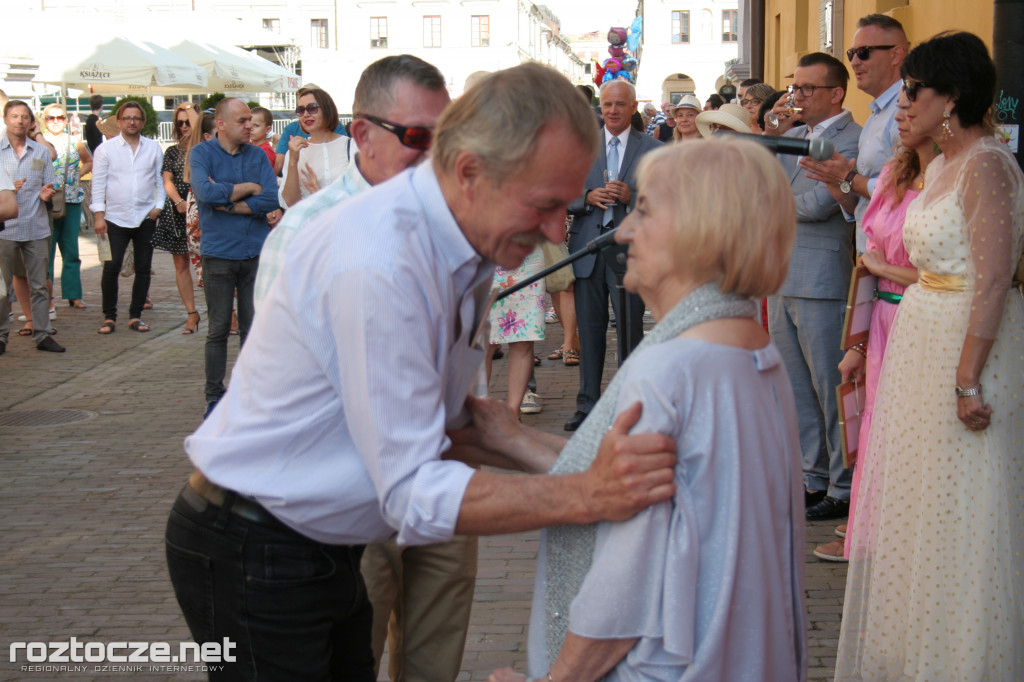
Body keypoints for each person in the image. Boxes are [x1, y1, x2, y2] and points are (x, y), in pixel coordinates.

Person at [164, 62, 678, 681]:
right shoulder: (380, 261)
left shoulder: (469, 240)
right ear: (468, 172)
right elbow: (415, 490)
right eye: (543, 207)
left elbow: (456, 423)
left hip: (313, 542)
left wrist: (590, 468)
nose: (552, 232)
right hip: (254, 543)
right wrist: (586, 492)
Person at [485, 137, 806, 682]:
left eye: (645, 211)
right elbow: (631, 480)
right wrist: (505, 437)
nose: (624, 230)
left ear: (701, 231)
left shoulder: (673, 368)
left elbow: (622, 588)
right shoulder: (747, 344)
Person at [255, 54, 469, 681]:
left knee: (435, 663)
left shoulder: (448, 226)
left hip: (445, 475)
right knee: (355, 655)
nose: (435, 155)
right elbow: (273, 373)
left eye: (445, 137)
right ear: (362, 134)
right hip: (355, 488)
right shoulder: (307, 229)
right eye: (417, 138)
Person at [835, 32, 1024, 679]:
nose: (904, 102)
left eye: (916, 90)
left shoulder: (989, 166)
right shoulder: (938, 164)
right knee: (919, 501)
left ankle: (966, 657)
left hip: (965, 348)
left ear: (955, 97)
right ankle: (920, 647)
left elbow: (993, 279)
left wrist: (967, 379)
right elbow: (929, 266)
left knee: (965, 502)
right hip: (920, 338)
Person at [811, 91, 936, 562]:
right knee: (874, 431)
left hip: (921, 316)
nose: (900, 117)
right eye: (897, 109)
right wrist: (857, 345)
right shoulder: (892, 175)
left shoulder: (950, 182)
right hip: (881, 316)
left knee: (910, 436)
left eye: (910, 107)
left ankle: (903, 538)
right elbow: (867, 262)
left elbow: (948, 272)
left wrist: (886, 270)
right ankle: (872, 529)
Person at [764, 52, 862, 522]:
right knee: (796, 388)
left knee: (830, 388)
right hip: (782, 275)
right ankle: (813, 476)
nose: (795, 97)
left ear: (835, 93)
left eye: (806, 89)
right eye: (793, 88)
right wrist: (770, 141)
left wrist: (773, 198)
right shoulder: (794, 137)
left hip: (822, 278)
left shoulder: (854, 139)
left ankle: (843, 485)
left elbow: (818, 204)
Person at [565, 79, 662, 432]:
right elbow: (561, 191)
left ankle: (629, 408)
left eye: (620, 105)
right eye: (607, 105)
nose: (613, 111)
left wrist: (631, 198)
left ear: (633, 107)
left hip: (630, 254)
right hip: (588, 247)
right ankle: (588, 407)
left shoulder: (652, 148)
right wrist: (587, 197)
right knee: (589, 333)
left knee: (630, 332)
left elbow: (664, 199)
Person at [188, 98, 280, 417]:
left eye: (251, 121)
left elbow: (271, 197)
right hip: (219, 253)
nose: (249, 126)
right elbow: (204, 194)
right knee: (218, 328)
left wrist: (231, 201)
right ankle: (214, 396)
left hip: (255, 251)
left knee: (252, 329)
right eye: (242, 120)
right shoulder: (201, 153)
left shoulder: (256, 154)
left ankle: (248, 393)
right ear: (223, 124)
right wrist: (248, 187)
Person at [801, 14, 909, 252]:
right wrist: (838, 184)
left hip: (895, 256)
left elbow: (908, 190)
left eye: (865, 52)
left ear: (896, 55)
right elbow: (860, 205)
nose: (855, 62)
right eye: (852, 53)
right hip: (870, 255)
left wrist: (848, 178)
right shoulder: (875, 116)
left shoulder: (907, 110)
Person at [90, 101, 164, 335]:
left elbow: (160, 180)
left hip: (145, 216)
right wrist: (99, 216)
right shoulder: (106, 149)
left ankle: (135, 316)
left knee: (143, 268)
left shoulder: (153, 147)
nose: (132, 122)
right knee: (111, 268)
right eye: (127, 118)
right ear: (119, 122)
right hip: (115, 217)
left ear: (142, 122)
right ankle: (109, 316)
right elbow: (98, 184)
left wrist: (158, 207)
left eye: (136, 118)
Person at [0, 100, 64, 354]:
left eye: (25, 117)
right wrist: (6, 191)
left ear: (30, 121)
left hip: (35, 225)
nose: (20, 121)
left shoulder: (39, 152)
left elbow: (50, 182)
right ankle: (2, 335)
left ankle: (43, 334)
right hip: (4, 227)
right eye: (14, 116)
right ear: (5, 119)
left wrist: (47, 193)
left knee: (39, 284)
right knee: (2, 287)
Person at [154, 103, 202, 335]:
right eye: (179, 123)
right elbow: (167, 180)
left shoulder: (206, 148)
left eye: (188, 121)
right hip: (177, 211)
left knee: (209, 265)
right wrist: (178, 202)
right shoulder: (172, 151)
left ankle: (228, 314)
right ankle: (191, 313)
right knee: (181, 264)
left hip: (202, 211)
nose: (184, 126)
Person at [41, 102, 92, 310]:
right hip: (47, 201)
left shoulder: (74, 141)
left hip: (71, 199)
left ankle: (74, 295)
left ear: (66, 120)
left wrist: (77, 176)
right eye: (51, 118)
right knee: (47, 251)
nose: (56, 121)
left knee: (71, 249)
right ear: (44, 121)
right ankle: (48, 298)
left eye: (60, 117)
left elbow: (89, 161)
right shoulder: (39, 142)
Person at [279, 88, 353, 207]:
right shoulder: (295, 152)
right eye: (301, 110)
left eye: (312, 108)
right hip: (310, 224)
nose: (306, 114)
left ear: (327, 110)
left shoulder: (352, 146)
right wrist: (293, 161)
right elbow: (290, 203)